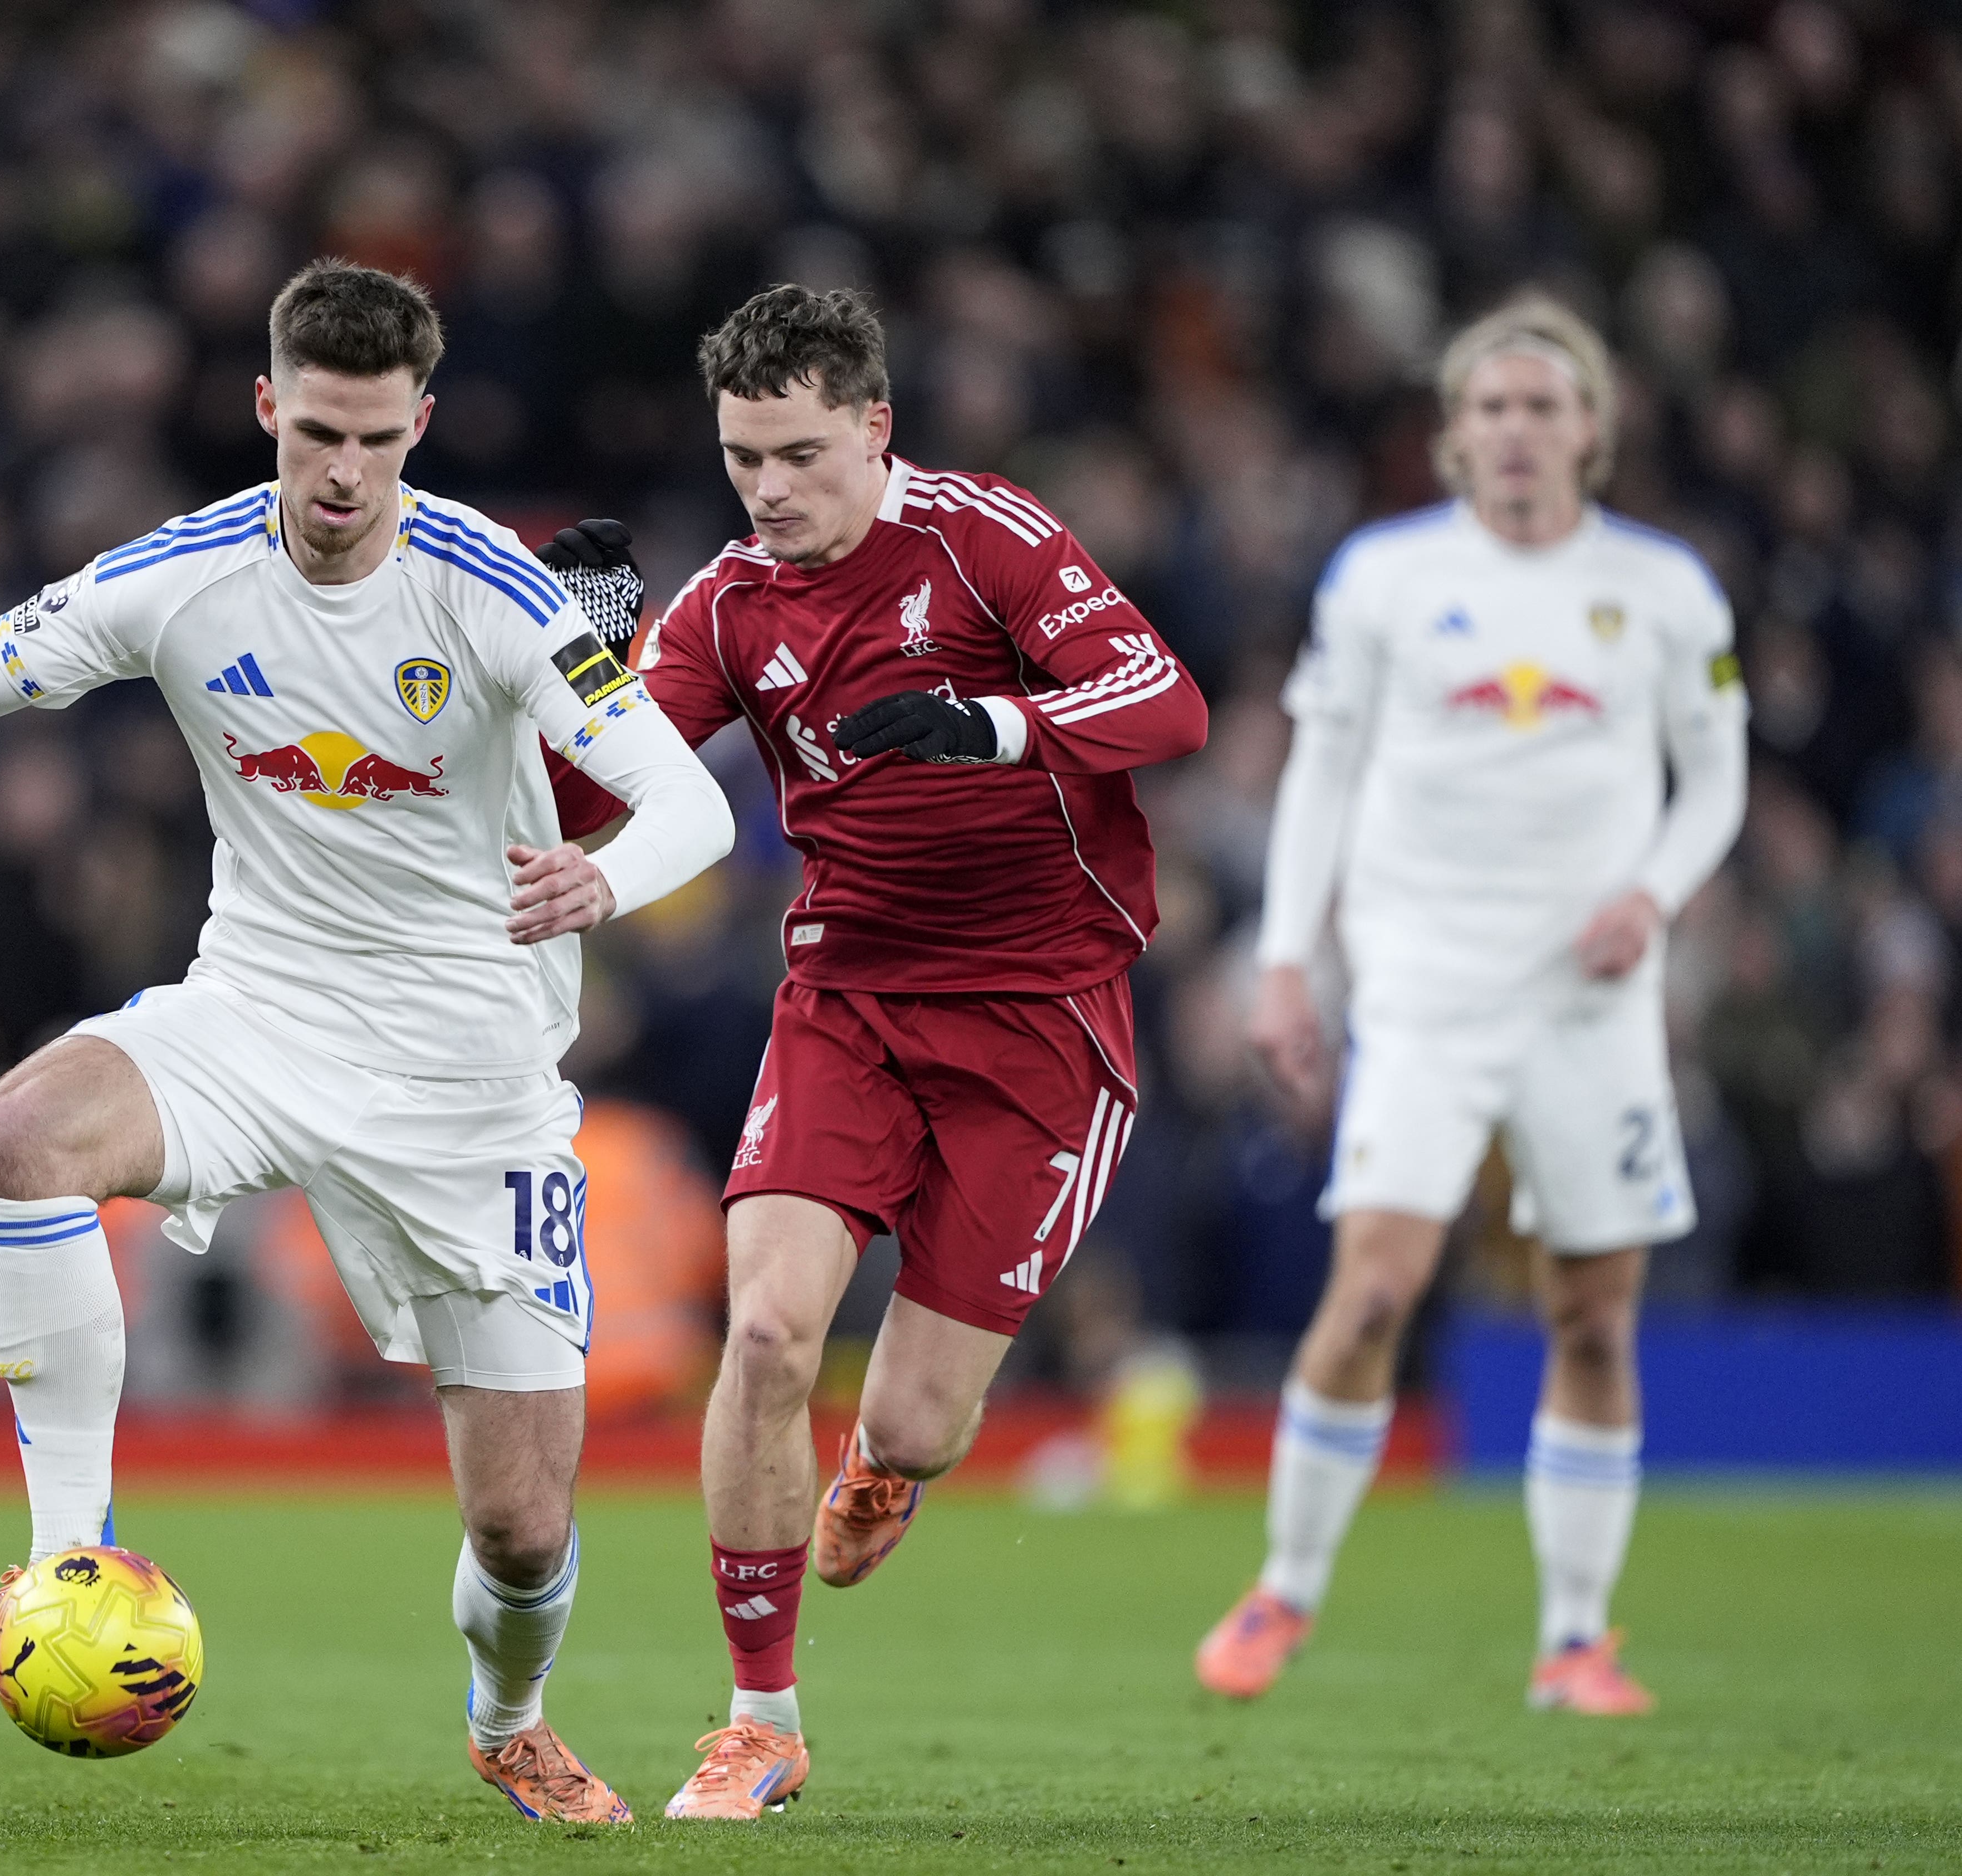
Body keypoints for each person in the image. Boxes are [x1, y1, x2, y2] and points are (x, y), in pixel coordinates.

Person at [0, 262, 733, 1823]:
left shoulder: (495, 589)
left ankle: (509, 1717)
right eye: (316, 432)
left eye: (376, 439)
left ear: (421, 427)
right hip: (259, 1010)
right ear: (266, 408)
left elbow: (690, 804)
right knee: (22, 1136)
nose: (343, 473)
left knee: (521, 1530)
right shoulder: (183, 575)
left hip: (470, 1080)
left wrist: (604, 880)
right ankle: (59, 1568)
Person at [551, 284, 1209, 1818]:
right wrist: (579, 654)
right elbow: (584, 801)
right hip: (846, 1000)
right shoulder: (726, 604)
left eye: (798, 454)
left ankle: (887, 1466)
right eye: (742, 459)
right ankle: (760, 1722)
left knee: (915, 1421)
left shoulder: (986, 538)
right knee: (769, 1336)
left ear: (873, 427)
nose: (769, 490)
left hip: (1040, 1018)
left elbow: (1167, 705)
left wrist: (993, 725)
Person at [1193, 294, 1748, 1716]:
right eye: (1490, 407)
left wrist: (1656, 894)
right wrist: (1284, 958)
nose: (1515, 430)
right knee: (1374, 1289)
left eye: (1541, 405)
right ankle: (1283, 1588)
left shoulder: (1666, 589)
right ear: (1454, 434)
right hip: (1425, 985)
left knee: (1594, 1319)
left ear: (1591, 428)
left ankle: (1575, 1638)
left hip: (1590, 999)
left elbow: (1717, 776)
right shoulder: (1384, 575)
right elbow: (1321, 768)